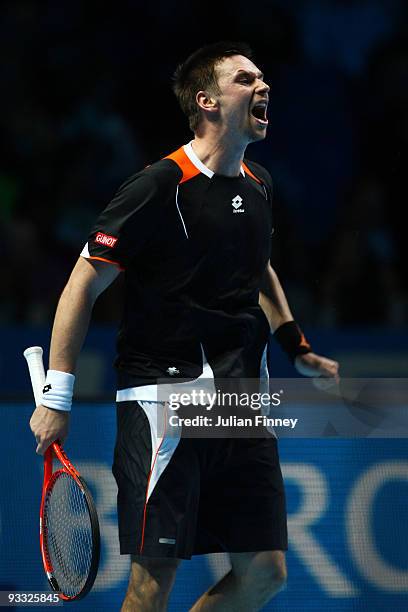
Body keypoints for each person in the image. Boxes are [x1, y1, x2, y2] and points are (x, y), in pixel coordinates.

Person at [29, 41, 339, 611]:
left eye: (263, 77)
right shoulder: (157, 186)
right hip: (165, 401)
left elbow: (258, 266)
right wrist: (58, 393)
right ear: (208, 101)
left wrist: (295, 343)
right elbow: (82, 284)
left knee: (266, 572)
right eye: (246, 79)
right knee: (154, 582)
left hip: (243, 403)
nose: (262, 86)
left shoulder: (260, 183)